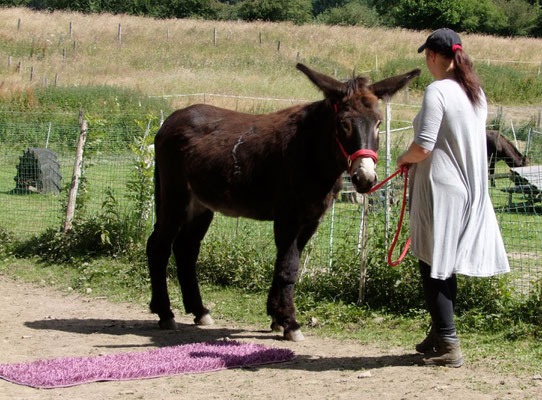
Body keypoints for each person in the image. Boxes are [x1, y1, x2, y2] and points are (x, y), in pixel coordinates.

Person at [396, 28, 510, 367]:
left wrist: (403, 158)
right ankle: (439, 334)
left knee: (433, 266)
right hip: (466, 191)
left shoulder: (438, 90)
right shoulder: (474, 91)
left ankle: (448, 343)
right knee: (443, 265)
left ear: (432, 56)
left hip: (440, 190)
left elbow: (424, 145)